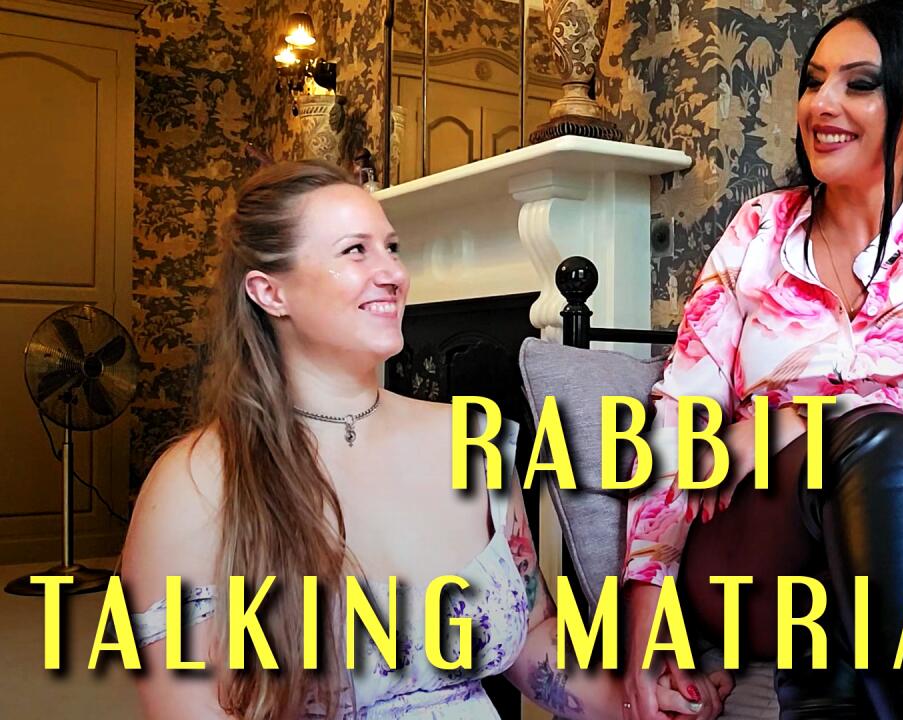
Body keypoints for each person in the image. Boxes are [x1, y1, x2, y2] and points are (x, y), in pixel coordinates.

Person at [120, 161, 702, 719]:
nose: (395, 274)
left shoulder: (474, 440)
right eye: (355, 250)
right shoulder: (194, 483)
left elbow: (531, 636)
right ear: (270, 292)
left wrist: (638, 701)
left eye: (392, 247)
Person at [621, 2, 903, 719]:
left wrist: (795, 421)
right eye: (814, 81)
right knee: (869, 452)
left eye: (859, 84)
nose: (822, 104)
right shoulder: (758, 231)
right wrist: (644, 625)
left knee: (876, 486)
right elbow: (680, 418)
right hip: (762, 537)